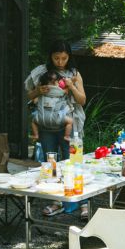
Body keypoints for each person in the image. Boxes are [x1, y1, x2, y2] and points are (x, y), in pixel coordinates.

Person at [24, 40, 89, 219]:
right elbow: (28, 95)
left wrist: (71, 86)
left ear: (69, 57)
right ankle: (56, 201)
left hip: (71, 124)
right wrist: (38, 91)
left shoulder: (74, 74)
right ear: (50, 57)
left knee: (74, 161)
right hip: (47, 125)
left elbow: (82, 100)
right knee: (50, 163)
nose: (60, 62)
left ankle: (82, 202)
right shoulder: (41, 72)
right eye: (56, 58)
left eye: (64, 58)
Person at [30, 70, 74, 141]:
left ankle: (36, 135)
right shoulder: (61, 91)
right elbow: (67, 89)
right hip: (56, 119)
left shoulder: (41, 92)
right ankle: (66, 136)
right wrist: (69, 82)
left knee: (33, 121)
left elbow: (35, 101)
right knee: (70, 121)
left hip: (41, 119)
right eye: (57, 81)